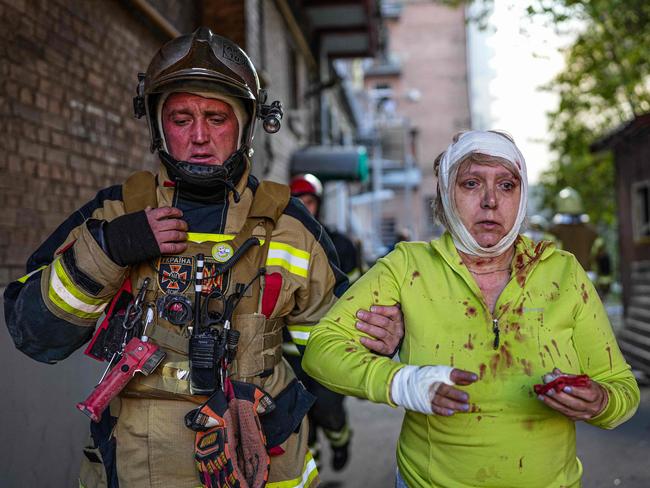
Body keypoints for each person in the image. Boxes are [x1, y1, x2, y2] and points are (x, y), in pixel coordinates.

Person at [3, 27, 404, 488]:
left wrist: (382, 337)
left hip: (265, 462)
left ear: (245, 127)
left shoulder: (291, 226)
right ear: (157, 125)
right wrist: (111, 248)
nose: (198, 137)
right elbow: (34, 334)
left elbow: (333, 350)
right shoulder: (114, 214)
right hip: (139, 466)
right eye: (180, 118)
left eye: (216, 118)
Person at [303, 130, 640, 487]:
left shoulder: (563, 273)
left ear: (522, 196)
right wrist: (403, 382)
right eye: (471, 183)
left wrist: (600, 402)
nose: (491, 201)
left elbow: (622, 388)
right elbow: (321, 349)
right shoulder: (408, 267)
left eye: (507, 185)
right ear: (447, 195)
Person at [287, 173, 358, 471]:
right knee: (299, 417)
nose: (305, 207)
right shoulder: (277, 244)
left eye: (310, 202)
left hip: (329, 346)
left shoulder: (340, 245)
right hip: (289, 352)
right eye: (298, 202)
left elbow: (356, 295)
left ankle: (340, 439)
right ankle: (312, 463)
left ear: (319, 204)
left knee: (328, 410)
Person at [549, 187, 598, 270]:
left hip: (562, 277)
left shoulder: (554, 231)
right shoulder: (591, 231)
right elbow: (601, 256)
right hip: (587, 277)